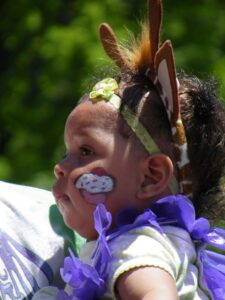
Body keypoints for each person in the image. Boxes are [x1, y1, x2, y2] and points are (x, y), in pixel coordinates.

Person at [33, 0, 225, 299]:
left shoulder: (136, 247)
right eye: (65, 153)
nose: (61, 166)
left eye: (85, 151)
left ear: (151, 176)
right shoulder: (159, 243)